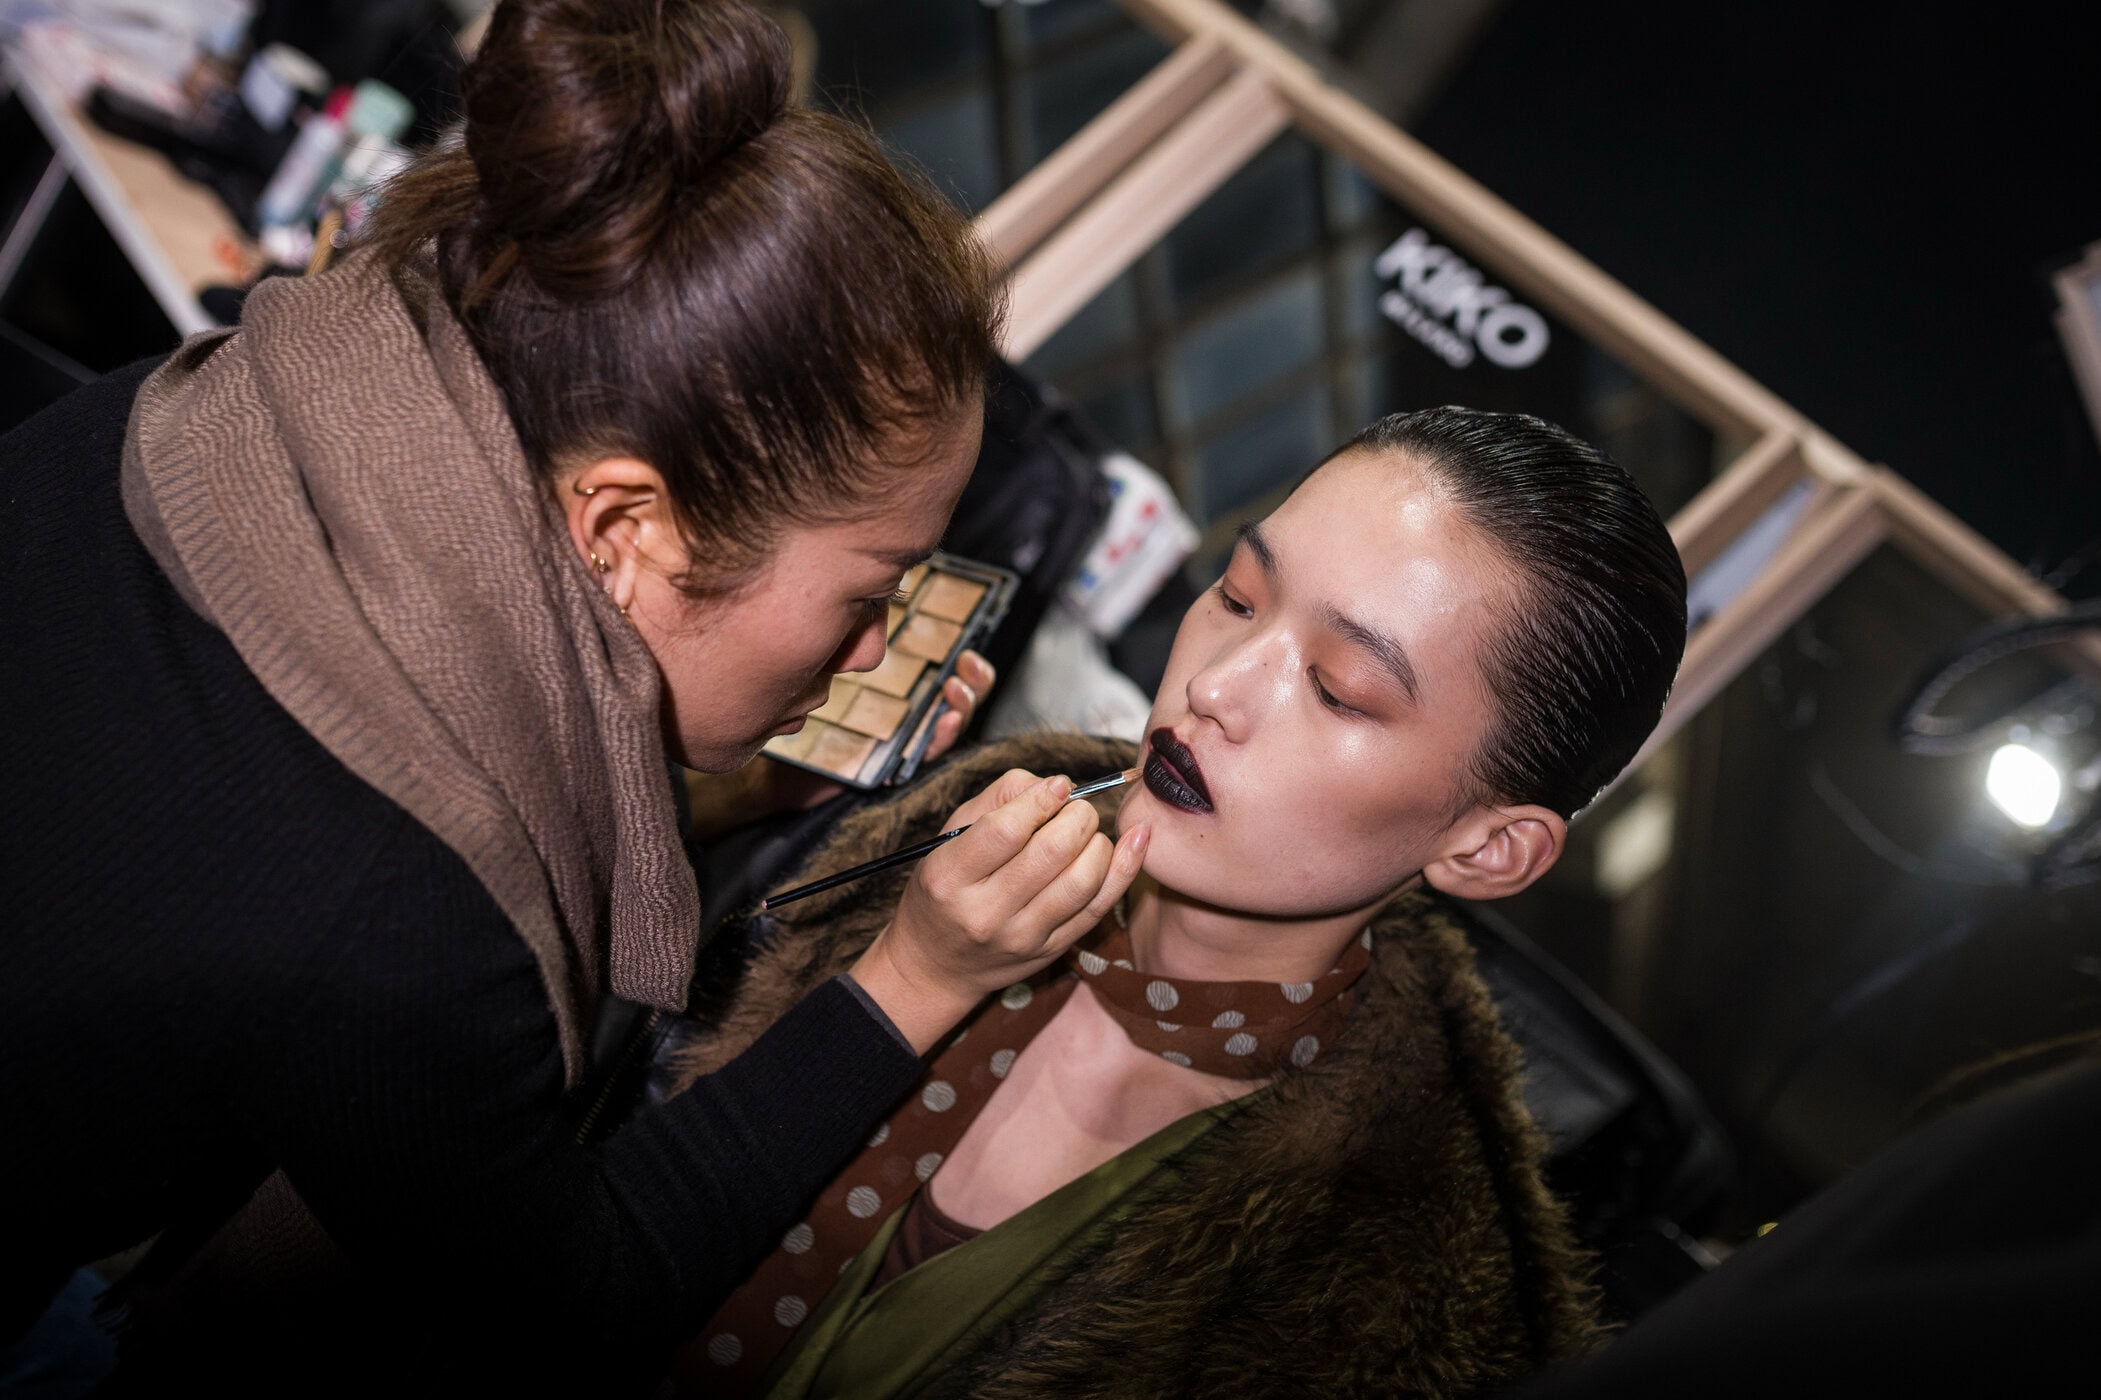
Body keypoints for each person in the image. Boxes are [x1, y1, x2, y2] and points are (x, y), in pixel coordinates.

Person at [0, 0, 1146, 1388]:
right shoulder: (405, 924)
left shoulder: (207, 413)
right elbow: (568, 1284)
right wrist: (914, 979)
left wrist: (714, 803)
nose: (871, 650)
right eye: (868, 593)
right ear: (623, 530)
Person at [658, 406, 1691, 1399]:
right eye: (1238, 596)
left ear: (1488, 847)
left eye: (1337, 688)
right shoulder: (921, 843)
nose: (1215, 684)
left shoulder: (1380, 1304)